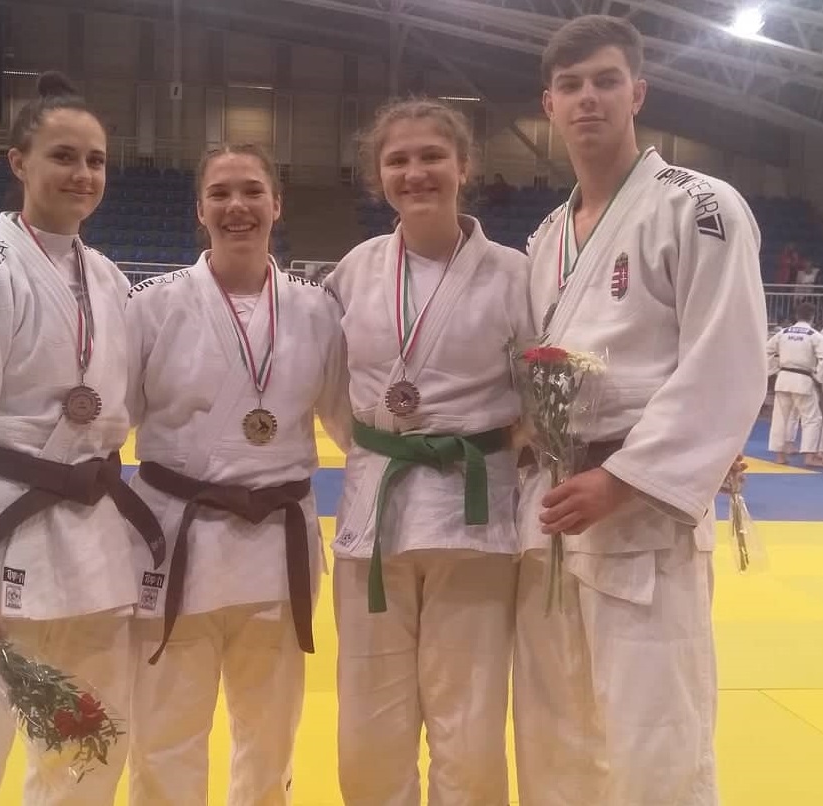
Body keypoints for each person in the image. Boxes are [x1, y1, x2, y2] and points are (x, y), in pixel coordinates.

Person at [514, 15, 768, 806]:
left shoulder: (700, 207)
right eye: (571, 86)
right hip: (552, 515)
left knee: (657, 745)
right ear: (549, 105)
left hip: (641, 519)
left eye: (606, 81)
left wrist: (623, 479)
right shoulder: (545, 237)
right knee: (556, 743)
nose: (587, 98)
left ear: (639, 93)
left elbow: (726, 366)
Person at [0, 71, 163, 806]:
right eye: (63, 156)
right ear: (19, 162)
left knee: (86, 753)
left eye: (96, 160)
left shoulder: (107, 278)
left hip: (94, 553)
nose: (83, 174)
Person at [126, 143, 351, 805]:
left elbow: (350, 426)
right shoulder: (152, 306)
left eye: (252, 191)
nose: (237, 206)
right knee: (164, 734)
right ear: (200, 210)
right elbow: (106, 428)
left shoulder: (317, 310)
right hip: (175, 539)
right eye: (220, 193)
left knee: (271, 735)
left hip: (277, 546)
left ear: (277, 204)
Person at [324, 98, 531, 805]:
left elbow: (541, 392)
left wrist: (495, 446)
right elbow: (331, 387)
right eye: (398, 160)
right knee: (367, 723)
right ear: (377, 175)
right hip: (374, 518)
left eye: (432, 156)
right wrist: (379, 448)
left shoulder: (514, 273)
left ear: (464, 166)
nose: (415, 172)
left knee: (468, 721)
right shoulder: (355, 270)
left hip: (473, 518)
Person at [767, 300, 823, 466]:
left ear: (796, 316)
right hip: (803, 380)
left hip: (783, 378)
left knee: (780, 418)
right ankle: (809, 457)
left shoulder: (783, 333)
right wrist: (819, 377)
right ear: (812, 317)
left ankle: (780, 456)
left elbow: (767, 350)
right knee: (811, 419)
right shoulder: (814, 335)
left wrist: (774, 369)